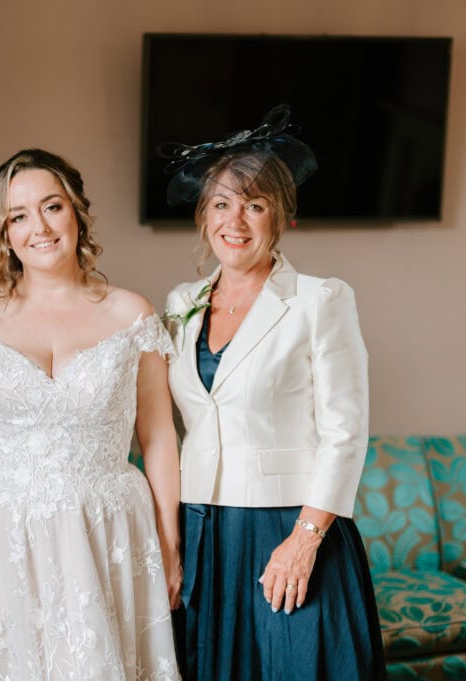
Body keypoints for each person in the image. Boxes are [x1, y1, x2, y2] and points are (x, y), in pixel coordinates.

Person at [0, 149, 182, 680]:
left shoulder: (133, 315)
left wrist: (169, 545)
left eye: (52, 207)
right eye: (18, 216)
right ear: (5, 232)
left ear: (77, 213)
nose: (38, 227)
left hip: (106, 533)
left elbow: (158, 438)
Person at [163, 105, 387, 680]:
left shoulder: (321, 300)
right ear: (203, 216)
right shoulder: (179, 305)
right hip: (204, 529)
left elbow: (346, 432)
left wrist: (305, 540)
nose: (235, 220)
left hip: (289, 527)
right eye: (222, 203)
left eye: (255, 205)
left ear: (281, 219)